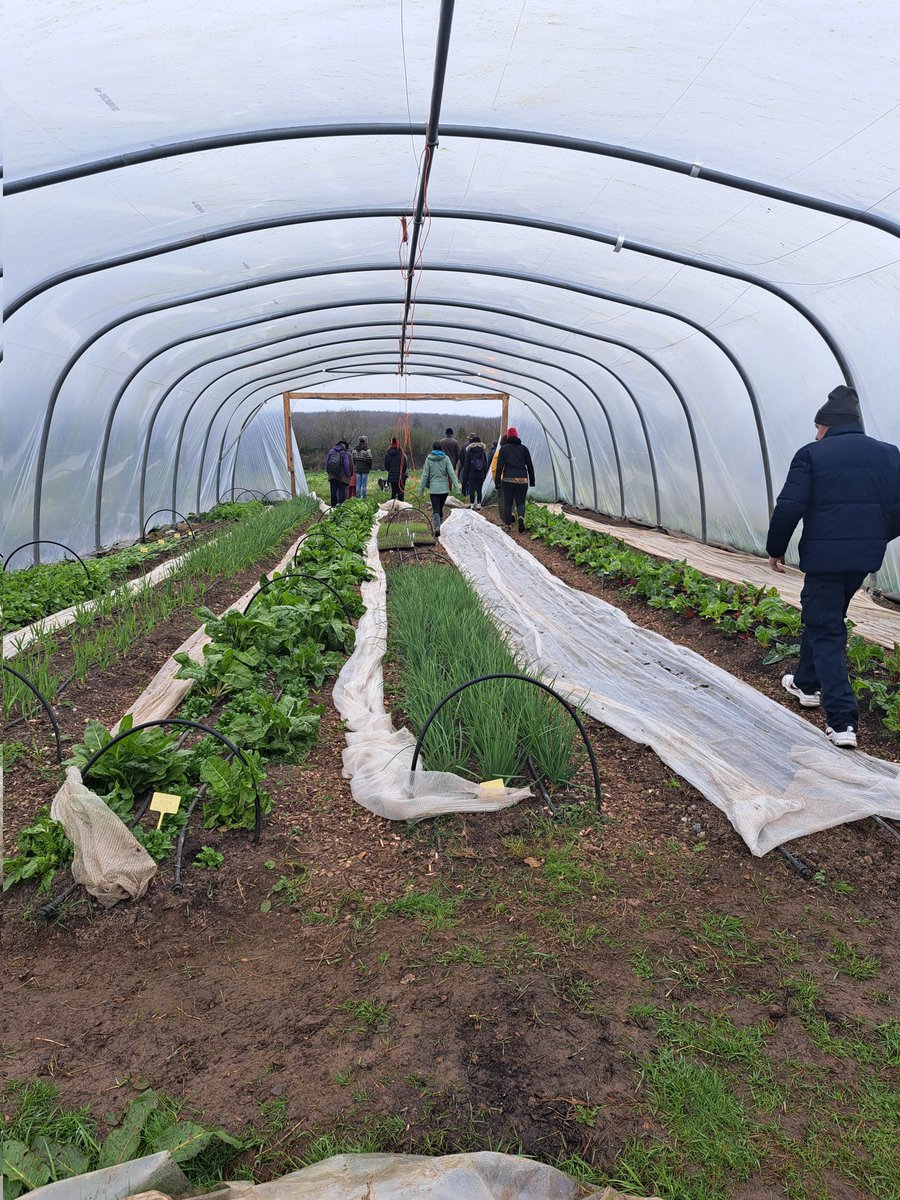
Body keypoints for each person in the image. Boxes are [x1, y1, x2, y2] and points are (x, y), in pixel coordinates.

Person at [766, 385, 900, 749]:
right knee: (824, 617)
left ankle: (842, 721)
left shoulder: (812, 455)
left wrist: (775, 549)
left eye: (818, 427)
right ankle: (806, 685)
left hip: (824, 562)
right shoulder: (891, 456)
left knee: (825, 630)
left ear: (829, 425)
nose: (815, 434)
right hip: (861, 561)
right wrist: (872, 539)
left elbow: (790, 506)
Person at [494, 428, 535, 533]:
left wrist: (497, 481)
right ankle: (521, 517)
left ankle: (508, 526)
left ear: (508, 436)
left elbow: (499, 467)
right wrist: (532, 480)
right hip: (522, 479)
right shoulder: (524, 449)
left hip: (508, 479)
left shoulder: (504, 449)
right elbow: (530, 466)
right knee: (520, 502)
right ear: (516, 436)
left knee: (508, 503)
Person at [419, 441, 459, 537]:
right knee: (440, 508)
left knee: (436, 508)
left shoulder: (429, 459)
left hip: (434, 489)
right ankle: (439, 526)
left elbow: (425, 475)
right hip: (444, 489)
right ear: (441, 448)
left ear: (433, 449)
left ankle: (437, 526)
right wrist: (456, 488)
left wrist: (421, 489)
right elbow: (451, 474)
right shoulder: (446, 459)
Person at [461, 432, 489, 509]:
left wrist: (465, 476)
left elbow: (466, 465)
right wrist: (485, 474)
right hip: (481, 473)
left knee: (472, 490)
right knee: (479, 490)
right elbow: (485, 464)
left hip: (472, 473)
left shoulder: (470, 451)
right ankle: (479, 506)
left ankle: (472, 505)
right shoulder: (482, 451)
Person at [325, 439, 352, 507]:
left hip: (332, 475)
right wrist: (348, 474)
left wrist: (328, 471)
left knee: (333, 492)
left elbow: (327, 461)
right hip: (342, 477)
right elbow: (346, 465)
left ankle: (333, 507)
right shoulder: (344, 453)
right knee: (341, 493)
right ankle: (340, 508)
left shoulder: (331, 451)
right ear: (345, 446)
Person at [384, 436, 408, 501]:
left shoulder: (387, 454)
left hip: (392, 476)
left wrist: (391, 471)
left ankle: (393, 506)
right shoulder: (401, 454)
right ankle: (401, 508)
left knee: (393, 492)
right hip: (400, 476)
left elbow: (386, 465)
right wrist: (402, 472)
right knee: (400, 492)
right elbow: (405, 465)